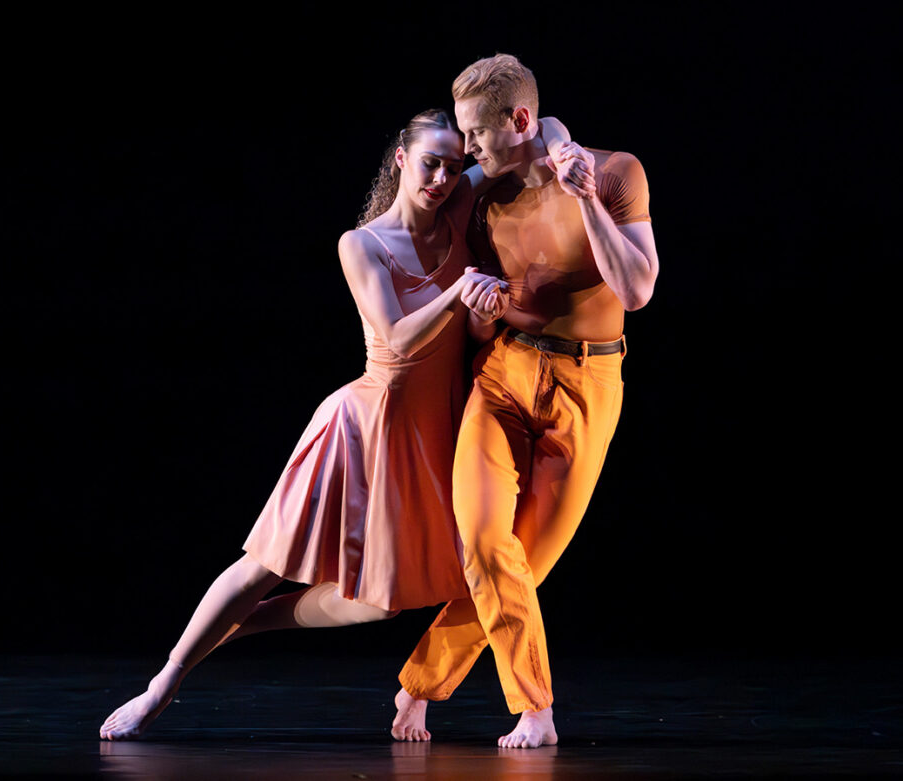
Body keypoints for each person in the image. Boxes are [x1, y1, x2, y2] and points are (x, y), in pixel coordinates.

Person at [98, 109, 512, 741]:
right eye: (431, 162)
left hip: (429, 431)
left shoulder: (459, 211)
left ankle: (249, 624)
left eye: (455, 167)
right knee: (265, 564)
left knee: (379, 600)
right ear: (401, 158)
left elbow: (527, 143)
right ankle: (164, 683)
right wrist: (460, 293)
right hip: (362, 422)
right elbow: (397, 339)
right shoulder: (362, 244)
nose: (443, 178)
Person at [391, 54, 660, 749]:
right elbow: (485, 309)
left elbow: (635, 291)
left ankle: (418, 683)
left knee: (523, 561)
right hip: (505, 375)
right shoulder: (480, 195)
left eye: (477, 136)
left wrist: (585, 199)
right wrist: (480, 313)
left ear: (519, 120)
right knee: (482, 538)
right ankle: (534, 710)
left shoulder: (616, 173)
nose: (467, 152)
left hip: (588, 386)